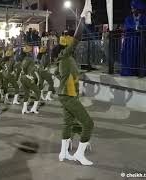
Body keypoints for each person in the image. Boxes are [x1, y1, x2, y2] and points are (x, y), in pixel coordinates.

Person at [57, 15, 94, 165]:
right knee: (88, 124)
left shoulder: (66, 58)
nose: (74, 42)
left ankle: (64, 153)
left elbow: (58, 73)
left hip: (66, 94)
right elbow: (77, 37)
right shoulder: (66, 55)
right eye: (71, 40)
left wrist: (69, 78)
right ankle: (79, 154)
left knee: (68, 124)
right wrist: (82, 19)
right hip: (68, 95)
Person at [121, 0, 146, 76]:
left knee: (139, 55)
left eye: (134, 8)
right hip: (130, 40)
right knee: (130, 55)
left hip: (139, 40)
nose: (133, 10)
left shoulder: (144, 17)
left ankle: (139, 71)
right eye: (132, 8)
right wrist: (135, 29)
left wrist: (139, 29)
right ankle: (129, 71)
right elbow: (127, 27)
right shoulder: (128, 18)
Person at [21, 45, 40, 114]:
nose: (32, 52)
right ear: (28, 52)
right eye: (31, 51)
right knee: (38, 92)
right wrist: (28, 75)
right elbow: (24, 68)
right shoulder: (29, 58)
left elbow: (23, 67)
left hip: (23, 78)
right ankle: (33, 109)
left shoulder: (25, 59)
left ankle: (24, 109)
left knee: (26, 93)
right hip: (28, 78)